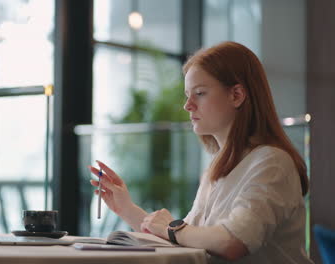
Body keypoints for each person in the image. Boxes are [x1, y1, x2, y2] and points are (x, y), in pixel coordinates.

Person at [88, 41, 313, 263]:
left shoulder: (272, 163)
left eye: (200, 93)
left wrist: (173, 228)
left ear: (236, 95)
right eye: (188, 95)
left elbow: (233, 242)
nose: (188, 105)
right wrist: (126, 208)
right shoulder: (219, 166)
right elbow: (188, 238)